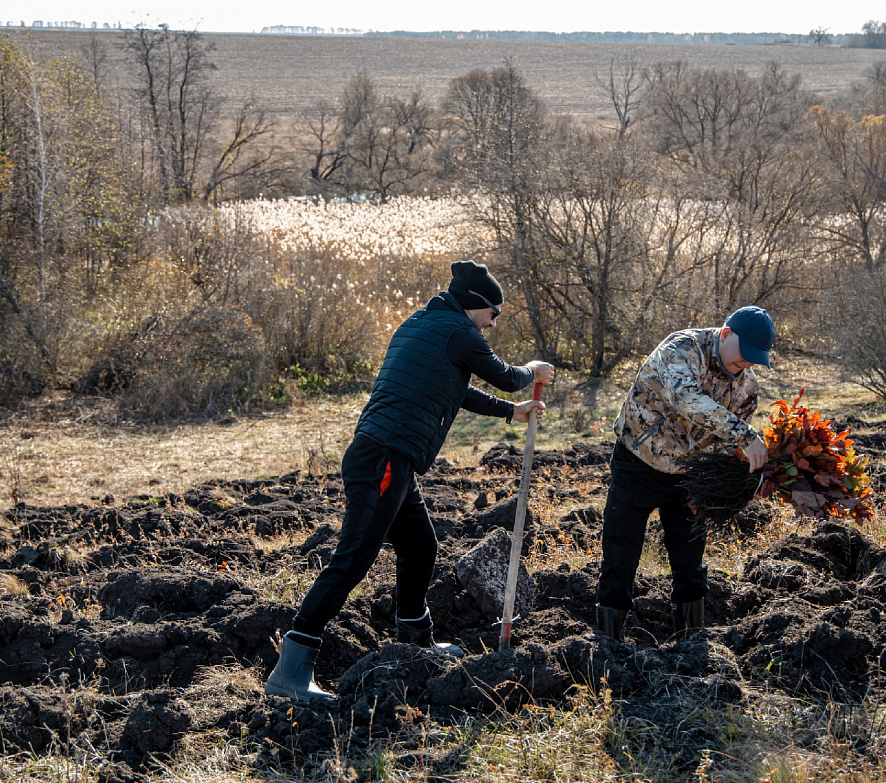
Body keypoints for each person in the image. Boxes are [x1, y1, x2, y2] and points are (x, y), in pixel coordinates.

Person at [266, 260, 555, 702]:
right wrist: (532, 371)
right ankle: (291, 671)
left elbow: (454, 388)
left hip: (388, 455)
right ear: (476, 306)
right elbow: (504, 375)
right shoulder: (460, 333)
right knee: (352, 561)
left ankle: (416, 641)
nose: (492, 324)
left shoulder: (423, 324)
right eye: (492, 314)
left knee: (421, 544)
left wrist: (509, 412)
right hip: (384, 458)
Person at [594, 306, 775, 642]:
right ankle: (608, 643)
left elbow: (722, 445)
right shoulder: (682, 349)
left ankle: (690, 643)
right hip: (638, 463)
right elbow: (685, 399)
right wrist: (746, 435)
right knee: (621, 551)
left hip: (688, 476)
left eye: (755, 358)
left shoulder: (746, 389)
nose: (746, 364)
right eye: (744, 354)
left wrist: (733, 483)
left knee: (690, 558)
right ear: (726, 334)